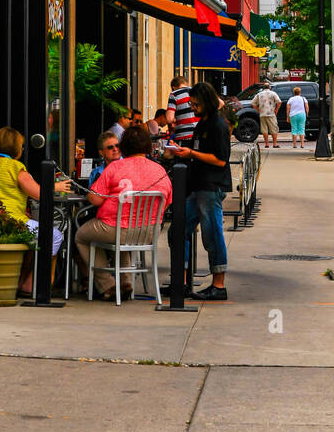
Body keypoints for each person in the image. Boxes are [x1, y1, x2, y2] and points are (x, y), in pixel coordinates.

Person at [78, 124, 172, 300]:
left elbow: (95, 199)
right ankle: (126, 282)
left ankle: (108, 284)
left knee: (81, 236)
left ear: (124, 146)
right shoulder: (159, 170)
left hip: (116, 229)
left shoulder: (114, 168)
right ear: (147, 145)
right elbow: (166, 202)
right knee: (120, 236)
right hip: (149, 232)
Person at [0, 127, 70, 292]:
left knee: (34, 237)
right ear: (16, 149)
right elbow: (39, 193)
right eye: (22, 146)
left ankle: (21, 280)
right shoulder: (15, 167)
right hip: (11, 224)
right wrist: (57, 186)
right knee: (54, 235)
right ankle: (34, 284)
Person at [165, 81, 232, 302]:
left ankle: (218, 285)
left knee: (212, 234)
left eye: (195, 104)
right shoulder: (202, 123)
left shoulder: (217, 125)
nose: (192, 108)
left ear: (205, 102)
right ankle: (181, 281)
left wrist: (191, 154)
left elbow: (220, 160)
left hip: (211, 186)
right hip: (196, 185)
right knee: (178, 230)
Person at [167, 75, 198, 146]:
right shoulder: (198, 91)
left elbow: (169, 119)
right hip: (199, 136)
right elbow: (221, 103)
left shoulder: (174, 94)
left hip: (183, 136)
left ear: (173, 87)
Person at [252, 81, 281, 149]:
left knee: (264, 130)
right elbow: (279, 102)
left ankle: (267, 144)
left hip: (262, 114)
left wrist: (258, 110)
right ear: (269, 87)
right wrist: (276, 110)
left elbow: (253, 103)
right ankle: (274, 144)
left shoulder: (259, 94)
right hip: (271, 113)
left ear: (263, 88)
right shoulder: (273, 93)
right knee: (274, 129)